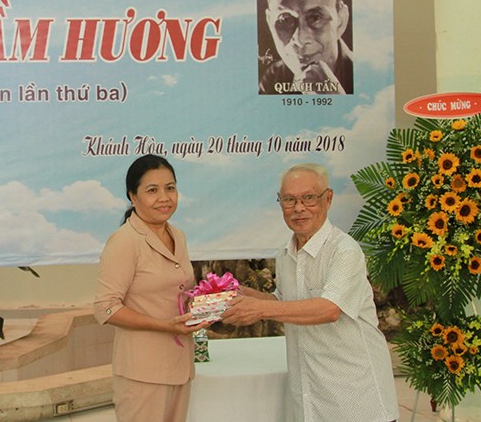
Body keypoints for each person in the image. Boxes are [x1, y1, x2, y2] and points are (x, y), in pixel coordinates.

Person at [221, 163, 399, 422]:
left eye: (309, 198)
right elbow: (285, 303)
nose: (299, 208)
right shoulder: (285, 254)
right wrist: (238, 293)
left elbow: (329, 309)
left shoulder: (344, 251)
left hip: (357, 398)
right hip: (311, 397)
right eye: (289, 200)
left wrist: (259, 309)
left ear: (328, 198)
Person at [94, 155, 209, 422]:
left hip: (180, 366)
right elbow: (105, 308)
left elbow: (177, 292)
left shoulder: (177, 235)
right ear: (133, 197)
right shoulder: (125, 241)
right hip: (142, 373)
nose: (164, 197)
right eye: (152, 190)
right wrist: (166, 325)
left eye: (170, 187)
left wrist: (202, 306)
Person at [259, 0, 353, 95]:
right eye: (285, 19)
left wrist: (334, 96)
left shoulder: (366, 74)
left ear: (341, 21)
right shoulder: (275, 76)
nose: (300, 40)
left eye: (315, 17)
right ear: (270, 22)